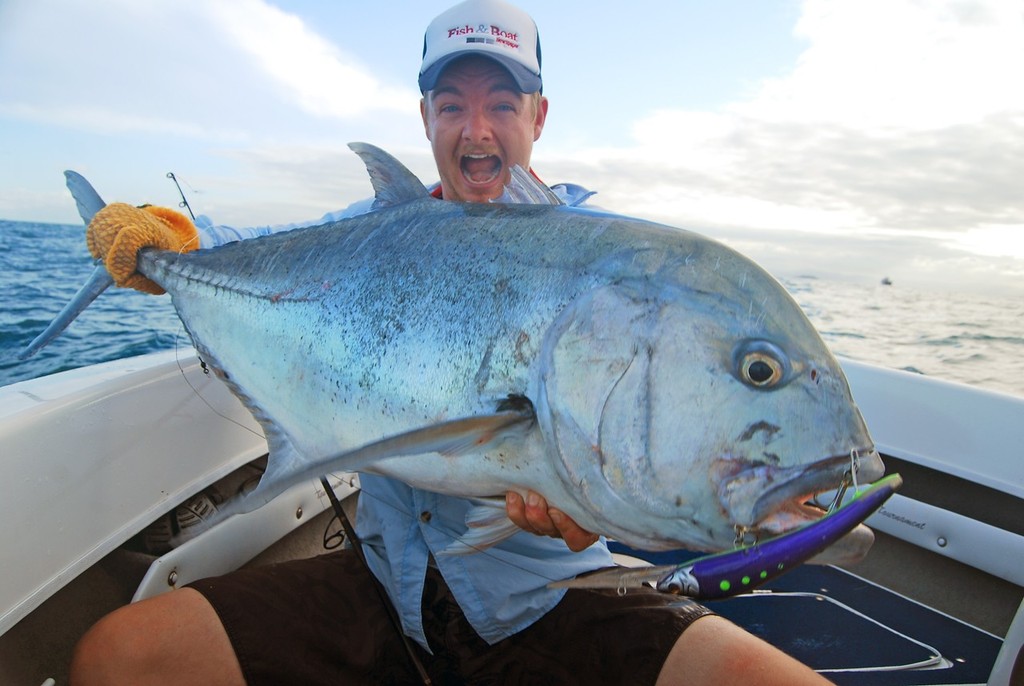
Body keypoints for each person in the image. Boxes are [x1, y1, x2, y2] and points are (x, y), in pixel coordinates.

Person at [70, 1, 833, 684]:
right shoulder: (372, 234)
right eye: (452, 106)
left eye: (502, 104)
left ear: (538, 117)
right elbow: (247, 253)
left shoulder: (607, 275)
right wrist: (165, 246)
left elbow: (644, 469)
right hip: (378, 588)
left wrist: (594, 506)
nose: (476, 130)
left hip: (545, 602)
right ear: (427, 118)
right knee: (119, 657)